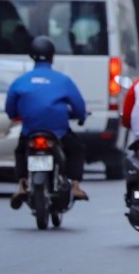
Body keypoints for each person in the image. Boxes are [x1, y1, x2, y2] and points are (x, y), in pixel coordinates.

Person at [5, 36, 89, 208]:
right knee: (76, 149)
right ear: (52, 56)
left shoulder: (21, 81)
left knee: (21, 151)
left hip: (30, 131)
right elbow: (79, 106)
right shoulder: (63, 80)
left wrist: (17, 115)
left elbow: (10, 109)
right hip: (58, 132)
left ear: (31, 56)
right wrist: (81, 117)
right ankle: (76, 186)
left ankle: (21, 185)